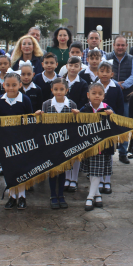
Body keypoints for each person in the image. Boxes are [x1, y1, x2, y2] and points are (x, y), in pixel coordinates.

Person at [0, 72, 33, 210]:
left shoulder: (25, 100)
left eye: (14, 85)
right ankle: (12, 196)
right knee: (9, 168)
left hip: (21, 140)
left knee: (21, 168)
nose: (11, 88)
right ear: (3, 85)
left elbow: (30, 120)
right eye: (8, 85)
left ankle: (22, 196)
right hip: (5, 140)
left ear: (19, 85)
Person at [35, 78, 80, 209]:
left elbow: (75, 126)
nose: (58, 92)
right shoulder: (46, 104)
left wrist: (78, 115)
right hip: (51, 143)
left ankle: (61, 195)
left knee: (63, 170)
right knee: (53, 171)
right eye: (56, 89)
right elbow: (42, 125)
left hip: (65, 143)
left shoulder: (72, 105)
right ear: (51, 90)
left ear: (67, 90)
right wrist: (38, 116)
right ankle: (53, 195)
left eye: (61, 89)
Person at [79, 83, 115, 211]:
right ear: (88, 95)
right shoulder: (85, 109)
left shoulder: (108, 109)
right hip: (89, 146)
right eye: (94, 93)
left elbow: (116, 124)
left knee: (97, 170)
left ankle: (90, 196)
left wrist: (112, 116)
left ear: (104, 96)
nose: (97, 96)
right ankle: (97, 194)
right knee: (93, 171)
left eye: (100, 94)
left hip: (103, 147)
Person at [107, 36, 133, 164]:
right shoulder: (107, 58)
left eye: (123, 45)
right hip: (109, 97)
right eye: (118, 45)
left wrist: (123, 85)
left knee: (124, 125)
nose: (120, 47)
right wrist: (115, 83)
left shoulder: (132, 59)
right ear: (113, 45)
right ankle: (107, 151)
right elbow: (103, 71)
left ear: (126, 46)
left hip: (126, 97)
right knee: (108, 125)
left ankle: (123, 152)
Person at [96, 60, 125, 193]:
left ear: (112, 74)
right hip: (97, 126)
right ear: (97, 73)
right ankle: (99, 180)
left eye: (107, 71)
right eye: (101, 71)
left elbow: (120, 107)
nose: (104, 74)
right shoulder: (94, 87)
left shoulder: (116, 88)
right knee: (98, 153)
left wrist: (117, 124)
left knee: (109, 153)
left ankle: (107, 180)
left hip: (110, 126)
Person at [62, 56, 89, 192]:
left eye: (76, 66)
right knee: (66, 150)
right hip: (63, 121)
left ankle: (74, 179)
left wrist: (78, 112)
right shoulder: (61, 81)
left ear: (80, 68)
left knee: (76, 150)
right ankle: (67, 177)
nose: (73, 68)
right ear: (67, 66)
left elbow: (85, 101)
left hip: (77, 120)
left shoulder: (83, 83)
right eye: (70, 65)